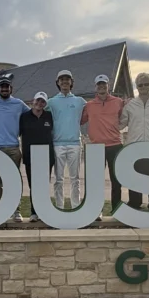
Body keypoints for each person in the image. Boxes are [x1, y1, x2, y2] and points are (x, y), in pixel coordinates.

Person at [0, 73, 29, 222]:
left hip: (13, 148)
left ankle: (16, 211)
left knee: (14, 181)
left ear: (11, 88)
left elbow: (32, 115)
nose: (4, 89)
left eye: (7, 87)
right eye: (2, 87)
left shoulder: (19, 104)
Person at [120, 72, 149, 210]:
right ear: (136, 86)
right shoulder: (130, 105)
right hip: (134, 146)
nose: (143, 87)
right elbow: (121, 123)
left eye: (146, 84)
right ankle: (135, 202)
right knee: (134, 176)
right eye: (140, 85)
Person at [81, 74, 125, 215]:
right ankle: (96, 210)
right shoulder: (89, 105)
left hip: (115, 145)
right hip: (96, 147)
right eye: (99, 84)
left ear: (108, 86)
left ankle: (116, 209)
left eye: (104, 84)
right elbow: (81, 121)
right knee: (96, 182)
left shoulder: (119, 102)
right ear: (96, 87)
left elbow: (124, 119)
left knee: (116, 181)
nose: (102, 87)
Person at [45, 69, 84, 210]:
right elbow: (37, 112)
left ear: (71, 82)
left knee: (75, 179)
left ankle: (75, 206)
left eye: (67, 79)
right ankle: (59, 207)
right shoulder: (51, 102)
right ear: (58, 83)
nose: (65, 81)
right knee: (59, 180)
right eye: (62, 79)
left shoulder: (80, 101)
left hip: (75, 144)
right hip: (58, 144)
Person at [19, 91, 54, 222]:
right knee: (33, 185)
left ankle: (44, 212)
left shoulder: (49, 116)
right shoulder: (24, 117)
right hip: (30, 156)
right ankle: (34, 212)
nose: (40, 103)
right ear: (33, 101)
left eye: (42, 101)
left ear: (45, 104)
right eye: (38, 101)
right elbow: (18, 133)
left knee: (44, 185)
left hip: (47, 156)